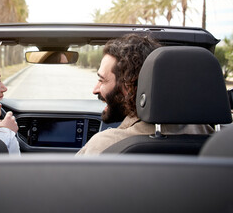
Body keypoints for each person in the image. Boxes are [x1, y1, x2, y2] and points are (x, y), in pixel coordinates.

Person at [76, 34, 214, 155]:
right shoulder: (214, 140)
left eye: (101, 80)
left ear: (128, 87)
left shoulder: (103, 146)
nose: (95, 89)